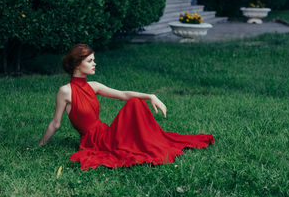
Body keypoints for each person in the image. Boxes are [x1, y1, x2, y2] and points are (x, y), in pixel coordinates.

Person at [39, 43, 214, 170]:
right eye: (90, 60)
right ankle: (152, 143)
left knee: (135, 102)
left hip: (105, 132)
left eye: (94, 60)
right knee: (134, 106)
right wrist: (40, 146)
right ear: (78, 64)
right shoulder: (65, 92)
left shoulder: (93, 86)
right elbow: (56, 123)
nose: (94, 64)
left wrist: (150, 96)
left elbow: (123, 94)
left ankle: (153, 142)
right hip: (94, 141)